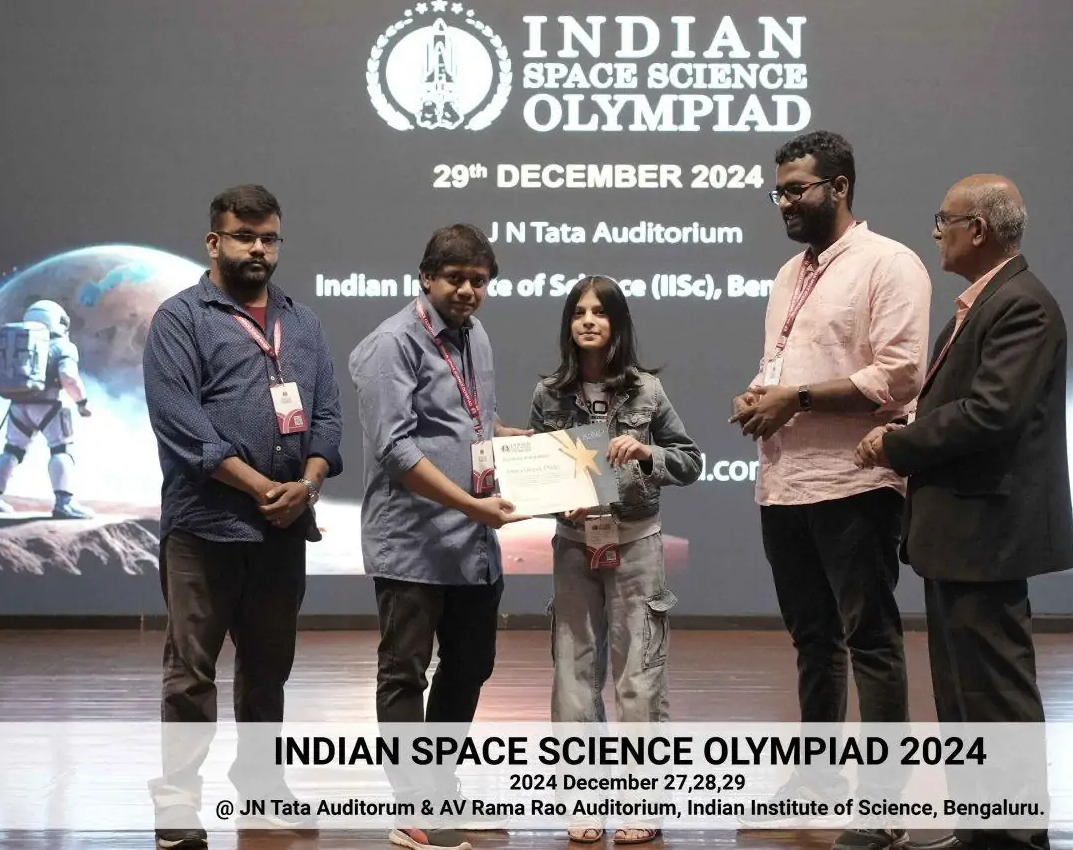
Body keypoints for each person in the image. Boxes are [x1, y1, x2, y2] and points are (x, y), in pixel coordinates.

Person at [857, 175, 1073, 850]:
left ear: (977, 229)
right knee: (962, 695)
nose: (936, 233)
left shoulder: (1021, 304)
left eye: (944, 220)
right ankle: (981, 831)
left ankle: (1012, 838)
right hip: (960, 533)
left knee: (995, 695)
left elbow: (990, 412)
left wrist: (896, 444)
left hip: (989, 533)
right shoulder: (984, 302)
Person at [728, 130, 931, 850]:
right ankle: (817, 779)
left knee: (870, 640)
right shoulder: (790, 273)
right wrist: (760, 394)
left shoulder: (889, 264)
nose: (784, 203)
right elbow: (783, 365)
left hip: (856, 481)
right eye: (778, 191)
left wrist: (799, 398)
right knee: (813, 642)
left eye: (797, 190)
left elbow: (899, 376)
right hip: (785, 483)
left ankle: (884, 804)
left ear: (839, 186)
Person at [143, 184, 344, 850]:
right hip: (203, 528)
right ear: (214, 242)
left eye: (268, 238)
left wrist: (307, 483)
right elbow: (183, 426)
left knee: (267, 671)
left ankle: (262, 788)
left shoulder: (303, 322)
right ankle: (177, 803)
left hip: (282, 530)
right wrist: (263, 486)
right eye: (244, 236)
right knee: (190, 672)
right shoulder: (180, 319)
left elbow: (327, 416)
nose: (258, 249)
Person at [348, 223, 532, 850]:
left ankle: (438, 786)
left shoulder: (475, 335)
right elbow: (397, 450)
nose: (468, 291)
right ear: (426, 277)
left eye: (479, 280)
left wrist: (520, 442)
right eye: (455, 278)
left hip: (472, 542)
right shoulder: (391, 344)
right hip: (414, 542)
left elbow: (469, 422)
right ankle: (413, 807)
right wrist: (472, 506)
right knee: (405, 673)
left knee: (471, 665)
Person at [528, 276, 702, 845]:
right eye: (579, 311)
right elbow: (537, 474)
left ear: (617, 324)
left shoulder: (647, 390)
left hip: (636, 543)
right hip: (573, 545)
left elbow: (690, 460)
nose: (588, 320)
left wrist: (649, 452)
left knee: (639, 674)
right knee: (573, 672)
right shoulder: (548, 394)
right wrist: (557, 498)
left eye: (600, 312)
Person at [0, 299, 96, 518]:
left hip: (18, 405)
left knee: (12, 451)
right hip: (49, 406)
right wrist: (82, 402)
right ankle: (64, 503)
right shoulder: (63, 346)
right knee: (61, 450)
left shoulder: (19, 341)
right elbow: (68, 377)